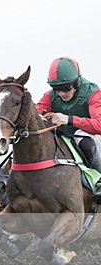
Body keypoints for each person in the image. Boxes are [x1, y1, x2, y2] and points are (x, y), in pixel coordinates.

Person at [36, 57, 101, 201]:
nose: (61, 94)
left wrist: (69, 119)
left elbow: (99, 125)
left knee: (84, 139)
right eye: (56, 89)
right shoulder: (50, 95)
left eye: (66, 88)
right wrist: (40, 116)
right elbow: (36, 111)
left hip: (92, 136)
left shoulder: (93, 93)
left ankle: (99, 181)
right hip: (65, 137)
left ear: (77, 82)